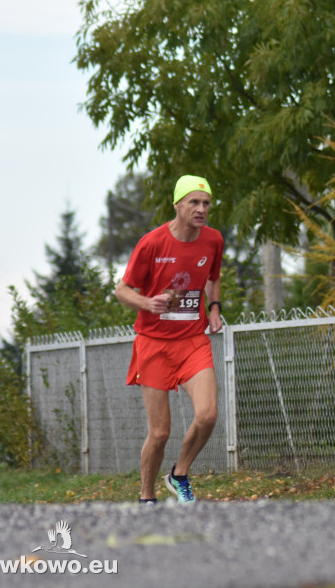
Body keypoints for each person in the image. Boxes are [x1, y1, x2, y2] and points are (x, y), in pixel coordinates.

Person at [114, 175, 224, 505]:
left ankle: (179, 474)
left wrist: (214, 308)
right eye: (193, 202)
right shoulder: (152, 243)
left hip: (192, 341)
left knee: (207, 415)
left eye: (205, 203)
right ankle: (147, 498)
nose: (201, 209)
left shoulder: (214, 240)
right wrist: (148, 303)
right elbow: (122, 290)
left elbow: (213, 278)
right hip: (153, 344)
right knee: (160, 433)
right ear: (177, 205)